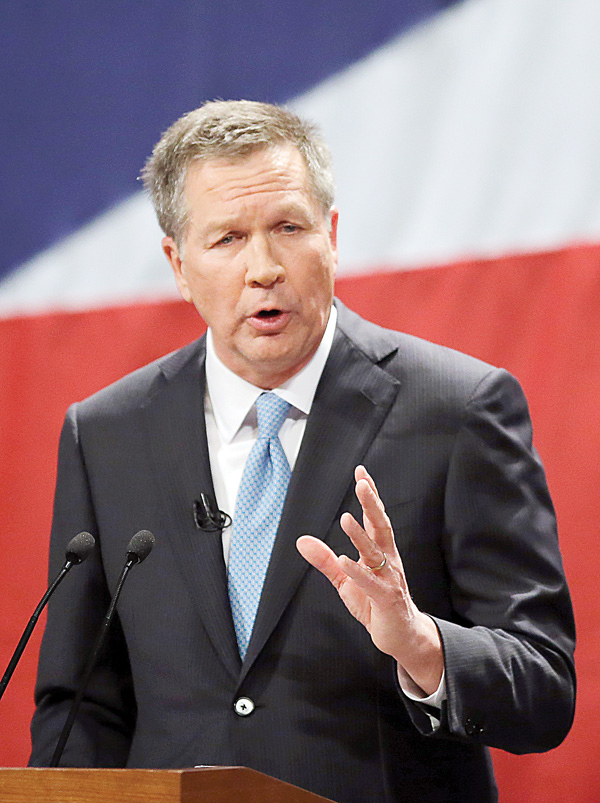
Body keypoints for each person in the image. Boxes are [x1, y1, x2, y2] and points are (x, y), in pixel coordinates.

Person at [29, 100, 575, 803]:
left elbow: (544, 686)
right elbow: (82, 706)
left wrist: (420, 643)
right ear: (178, 264)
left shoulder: (458, 409)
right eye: (227, 238)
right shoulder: (107, 433)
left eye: (288, 227)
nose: (264, 267)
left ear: (332, 235)